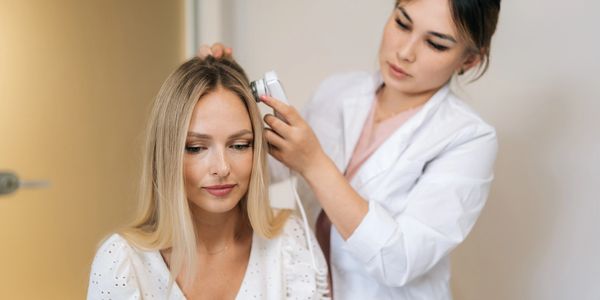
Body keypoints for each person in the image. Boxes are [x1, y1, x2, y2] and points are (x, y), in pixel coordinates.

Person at [202, 0, 501, 298]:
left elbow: (399, 261)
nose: (405, 52)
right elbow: (266, 170)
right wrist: (229, 95)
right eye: (402, 23)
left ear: (469, 61)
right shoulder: (338, 91)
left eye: (435, 44)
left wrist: (314, 164)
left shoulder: (469, 138)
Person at [86, 57, 329, 299]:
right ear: (166, 154)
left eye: (240, 145)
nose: (222, 168)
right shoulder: (122, 262)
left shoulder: (289, 242)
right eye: (195, 148)